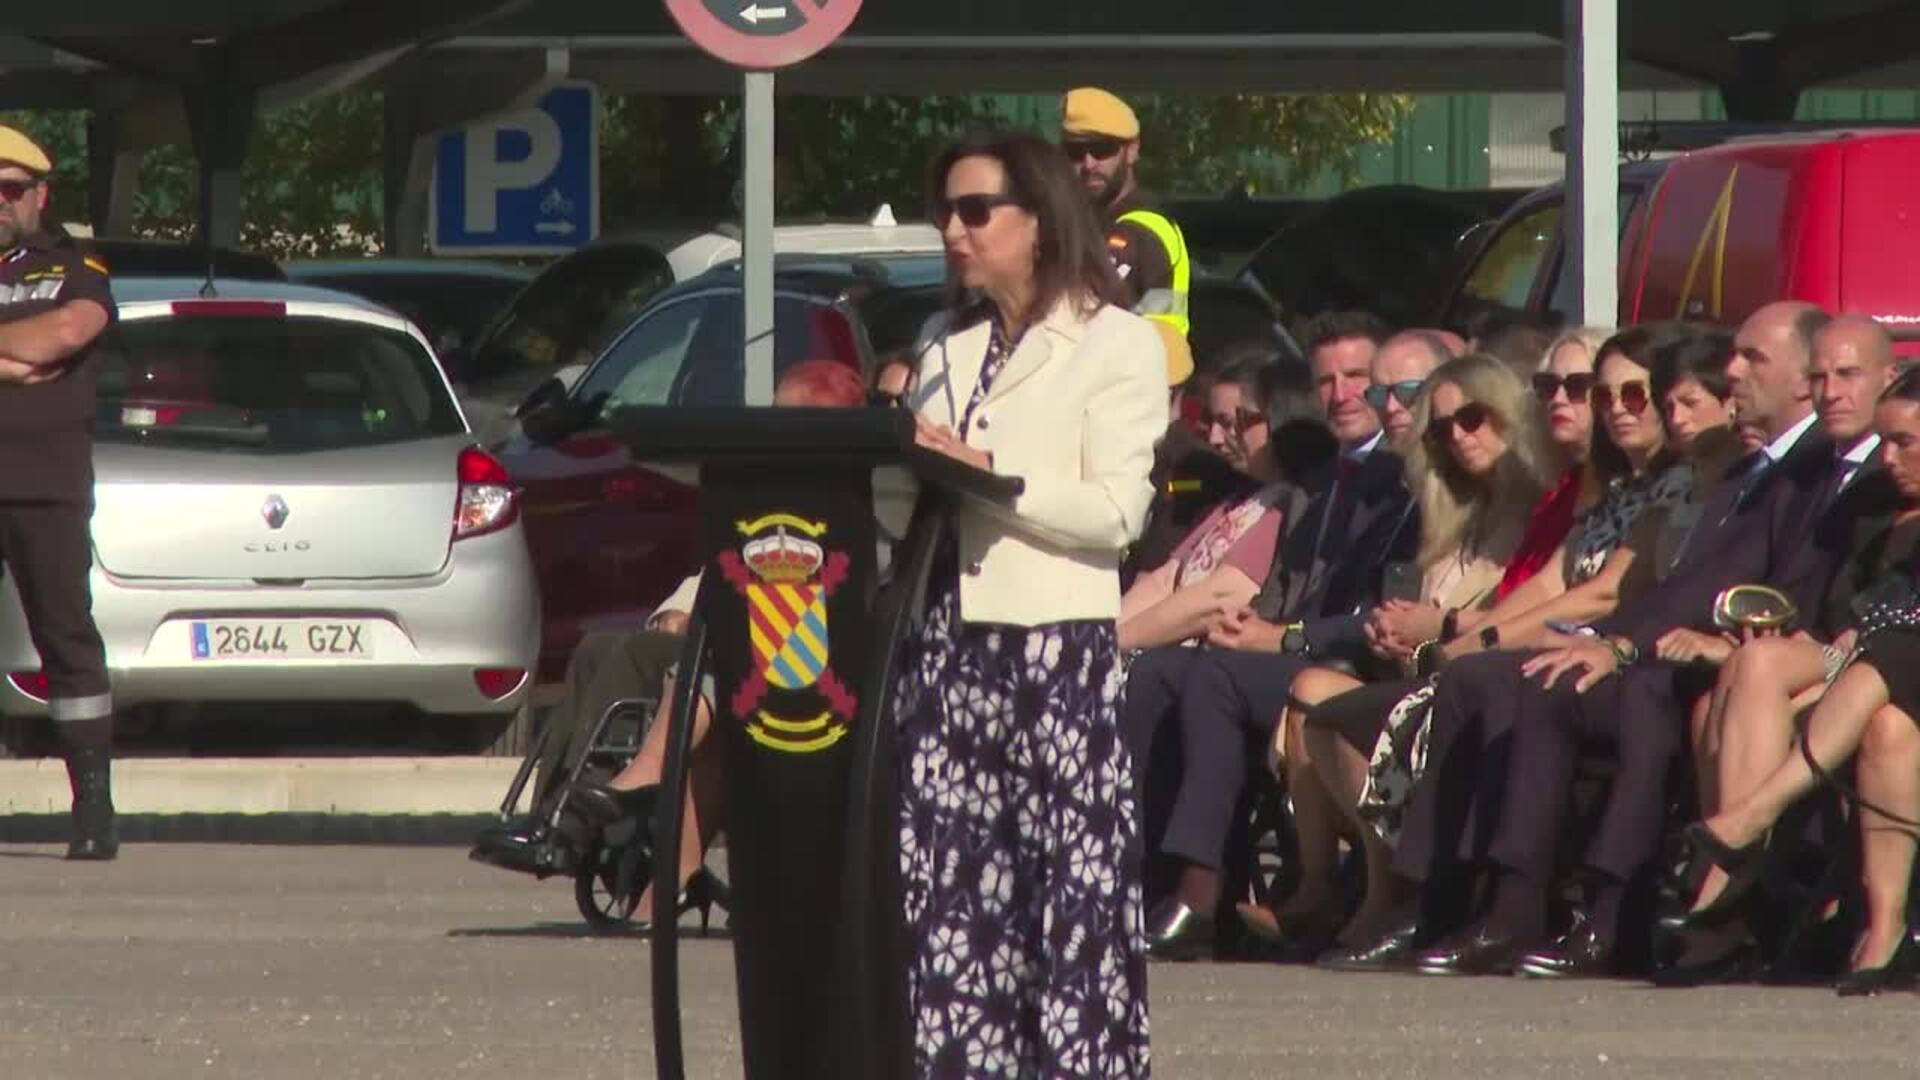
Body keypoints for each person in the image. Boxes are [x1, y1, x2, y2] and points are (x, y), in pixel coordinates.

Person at [1392, 303, 1836, 978]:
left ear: (1802, 378)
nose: (1733, 371)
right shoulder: (1752, 471)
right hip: (1691, 642)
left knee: (1634, 696)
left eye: (1752, 359)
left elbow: (1732, 588)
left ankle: (1613, 912)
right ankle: (1498, 904)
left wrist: (1620, 645)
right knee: (1542, 682)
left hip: (1753, 653)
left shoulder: (1801, 465)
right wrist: (1602, 643)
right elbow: (1683, 585)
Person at [894, 130, 1163, 1075]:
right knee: (955, 900)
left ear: (1041, 220)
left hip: (1056, 654)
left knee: (1070, 901)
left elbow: (1117, 513)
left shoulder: (1117, 343)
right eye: (945, 212)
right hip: (949, 650)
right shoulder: (944, 346)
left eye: (976, 211)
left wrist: (988, 473)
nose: (954, 231)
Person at [476, 359, 870, 923]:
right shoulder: (774, 486)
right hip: (729, 632)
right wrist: (677, 610)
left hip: (781, 655)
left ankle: (579, 822)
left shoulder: (856, 499)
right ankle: (553, 814)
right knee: (596, 649)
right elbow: (724, 566)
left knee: (636, 653)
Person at [1270, 352, 1552, 951]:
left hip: (1488, 676)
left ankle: (1385, 898)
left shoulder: (1538, 510)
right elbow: (1422, 621)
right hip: (1424, 673)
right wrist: (1393, 632)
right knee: (1311, 693)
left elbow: (1526, 619)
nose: (1459, 437)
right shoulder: (1447, 515)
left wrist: (1440, 625)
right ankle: (1330, 886)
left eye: (1472, 419)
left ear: (1507, 414)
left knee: (1332, 706)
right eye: (1442, 429)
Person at [1674, 364, 1920, 995]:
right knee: (1756, 663)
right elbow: (1842, 608)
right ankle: (1741, 872)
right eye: (1885, 441)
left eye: (1904, 443)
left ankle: (1748, 832)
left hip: (1894, 660)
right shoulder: (1874, 506)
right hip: (1861, 660)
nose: (1887, 458)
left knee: (1887, 707)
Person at [0, 126, 119, 860]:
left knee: (65, 639)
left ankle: (93, 804)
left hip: (43, 484)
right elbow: (32, 353)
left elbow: (69, 333)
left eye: (10, 189)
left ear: (39, 196)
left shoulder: (75, 266)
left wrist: (31, 351)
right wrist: (17, 358)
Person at [1119, 355, 1334, 652]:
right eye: (1213, 422)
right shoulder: (1240, 498)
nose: (1216, 438)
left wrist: (1113, 644)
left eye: (1232, 423)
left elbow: (1218, 598)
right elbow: (1165, 580)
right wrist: (1102, 636)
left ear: (1277, 419)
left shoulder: (1289, 506)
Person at [1061, 87, 1191, 340]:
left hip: (1147, 361)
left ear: (1131, 151)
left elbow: (1083, 320)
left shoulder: (1137, 230)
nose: (1088, 164)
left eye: (1101, 149)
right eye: (1075, 152)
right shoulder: (1097, 223)